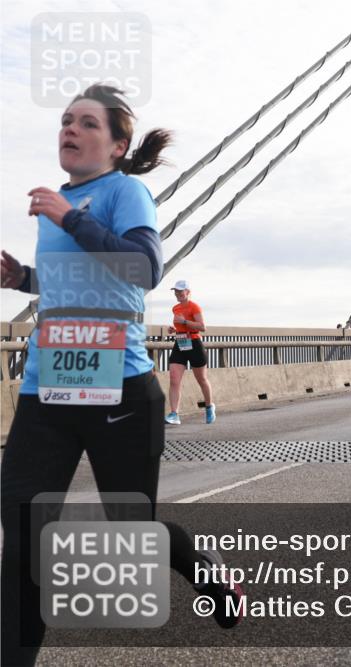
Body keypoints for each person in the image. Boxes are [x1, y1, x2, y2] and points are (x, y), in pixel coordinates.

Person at [0, 84, 243, 666]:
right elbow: (81, 281)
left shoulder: (126, 191)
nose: (71, 129)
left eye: (86, 123)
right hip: (46, 388)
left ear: (117, 144)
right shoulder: (58, 200)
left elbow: (141, 267)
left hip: (119, 391)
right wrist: (22, 277)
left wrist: (70, 219)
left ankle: (202, 569)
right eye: (65, 121)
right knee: (25, 539)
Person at [164, 280, 215, 425]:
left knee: (202, 379)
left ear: (187, 292)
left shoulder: (194, 307)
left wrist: (184, 322)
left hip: (194, 344)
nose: (178, 294)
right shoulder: (175, 308)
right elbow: (180, 325)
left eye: (180, 291)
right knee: (174, 378)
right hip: (180, 343)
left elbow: (202, 327)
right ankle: (174, 414)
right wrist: (174, 329)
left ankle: (209, 407)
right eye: (176, 291)